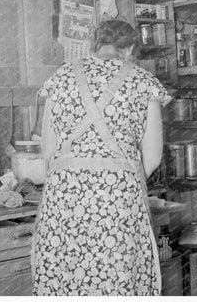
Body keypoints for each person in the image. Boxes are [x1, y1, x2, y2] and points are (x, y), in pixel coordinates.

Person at [32, 19, 172, 296]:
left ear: (94, 46)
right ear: (129, 48)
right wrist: (121, 179)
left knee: (64, 272)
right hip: (119, 198)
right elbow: (153, 157)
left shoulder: (60, 78)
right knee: (118, 275)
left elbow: (48, 152)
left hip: (65, 197)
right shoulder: (143, 81)